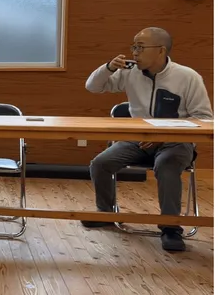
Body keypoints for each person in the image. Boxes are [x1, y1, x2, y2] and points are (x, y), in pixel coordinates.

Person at [84, 27, 213, 252]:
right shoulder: (129, 72)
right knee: (101, 163)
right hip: (138, 140)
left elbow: (204, 119)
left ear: (161, 50)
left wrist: (163, 136)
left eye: (140, 47)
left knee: (166, 166)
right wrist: (108, 68)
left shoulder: (187, 77)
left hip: (176, 142)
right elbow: (92, 87)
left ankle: (171, 228)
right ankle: (106, 213)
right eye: (133, 46)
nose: (134, 52)